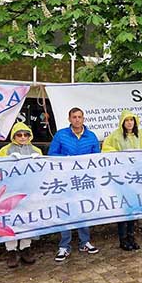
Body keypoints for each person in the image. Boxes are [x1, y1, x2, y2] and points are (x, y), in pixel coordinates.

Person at [102, 109, 142, 249]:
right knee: (124, 208)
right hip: (121, 177)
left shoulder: (141, 135)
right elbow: (105, 149)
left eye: (131, 120)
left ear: (135, 121)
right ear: (122, 122)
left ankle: (131, 236)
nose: (129, 123)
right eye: (126, 120)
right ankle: (123, 239)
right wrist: (121, 155)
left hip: (136, 177)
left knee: (133, 208)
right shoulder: (115, 136)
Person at [48, 107, 100, 262]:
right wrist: (67, 158)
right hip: (65, 179)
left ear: (83, 119)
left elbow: (97, 158)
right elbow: (51, 154)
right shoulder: (61, 135)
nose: (77, 119)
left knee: (83, 209)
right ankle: (64, 246)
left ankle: (85, 242)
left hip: (84, 180)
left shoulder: (91, 136)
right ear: (69, 119)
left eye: (80, 117)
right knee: (66, 210)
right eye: (74, 117)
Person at [0, 122, 42, 267]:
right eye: (19, 134)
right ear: (14, 136)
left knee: (27, 220)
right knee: (11, 221)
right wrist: (7, 161)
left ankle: (25, 248)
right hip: (11, 192)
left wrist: (40, 160)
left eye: (26, 134)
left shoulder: (36, 150)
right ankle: (11, 250)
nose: (23, 137)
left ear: (30, 135)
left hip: (30, 191)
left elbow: (43, 172)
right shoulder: (5, 150)